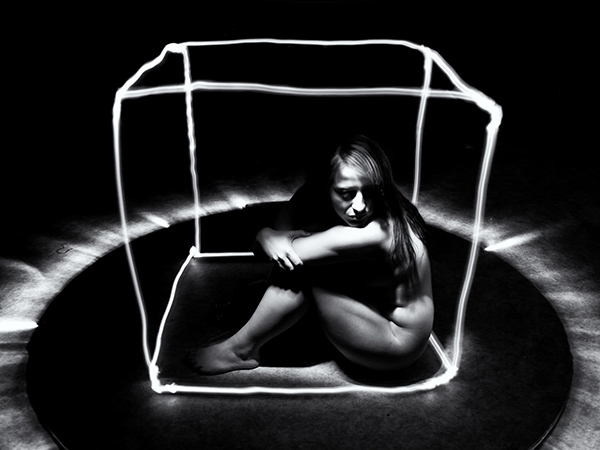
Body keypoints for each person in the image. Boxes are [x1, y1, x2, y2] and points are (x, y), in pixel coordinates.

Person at [188, 135, 433, 375]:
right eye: (346, 193)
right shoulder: (318, 196)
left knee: (302, 268)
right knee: (298, 257)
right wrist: (278, 234)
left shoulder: (378, 232)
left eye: (370, 192)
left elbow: (278, 253)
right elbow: (283, 234)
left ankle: (240, 350)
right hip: (372, 309)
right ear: (326, 186)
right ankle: (271, 319)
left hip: (394, 342)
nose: (360, 206)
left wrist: (265, 234)